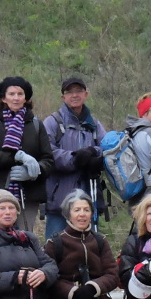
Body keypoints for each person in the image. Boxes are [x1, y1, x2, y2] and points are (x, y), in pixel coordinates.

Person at [0, 77, 54, 231]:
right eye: (11, 94)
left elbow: (48, 160)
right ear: (3, 98)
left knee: (24, 237)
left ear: (26, 98)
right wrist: (15, 157)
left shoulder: (36, 125)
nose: (16, 98)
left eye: (20, 94)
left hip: (29, 194)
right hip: (0, 192)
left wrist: (34, 171)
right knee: (0, 238)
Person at [43, 77, 109, 240]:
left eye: (78, 91)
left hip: (89, 194)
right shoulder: (52, 122)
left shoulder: (94, 124)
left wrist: (93, 153)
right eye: (69, 92)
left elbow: (107, 147)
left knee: (90, 246)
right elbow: (47, 151)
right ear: (63, 97)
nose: (74, 95)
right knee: (54, 246)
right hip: (59, 197)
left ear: (86, 94)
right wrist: (75, 158)